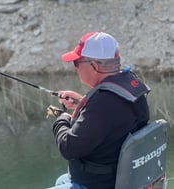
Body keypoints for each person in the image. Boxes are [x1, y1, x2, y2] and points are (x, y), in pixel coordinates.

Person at [47, 32, 150, 189]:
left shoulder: (103, 104)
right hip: (122, 175)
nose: (75, 68)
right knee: (62, 180)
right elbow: (112, 118)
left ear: (94, 65)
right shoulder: (130, 85)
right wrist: (83, 103)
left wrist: (62, 118)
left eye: (76, 62)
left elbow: (69, 148)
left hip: (102, 184)